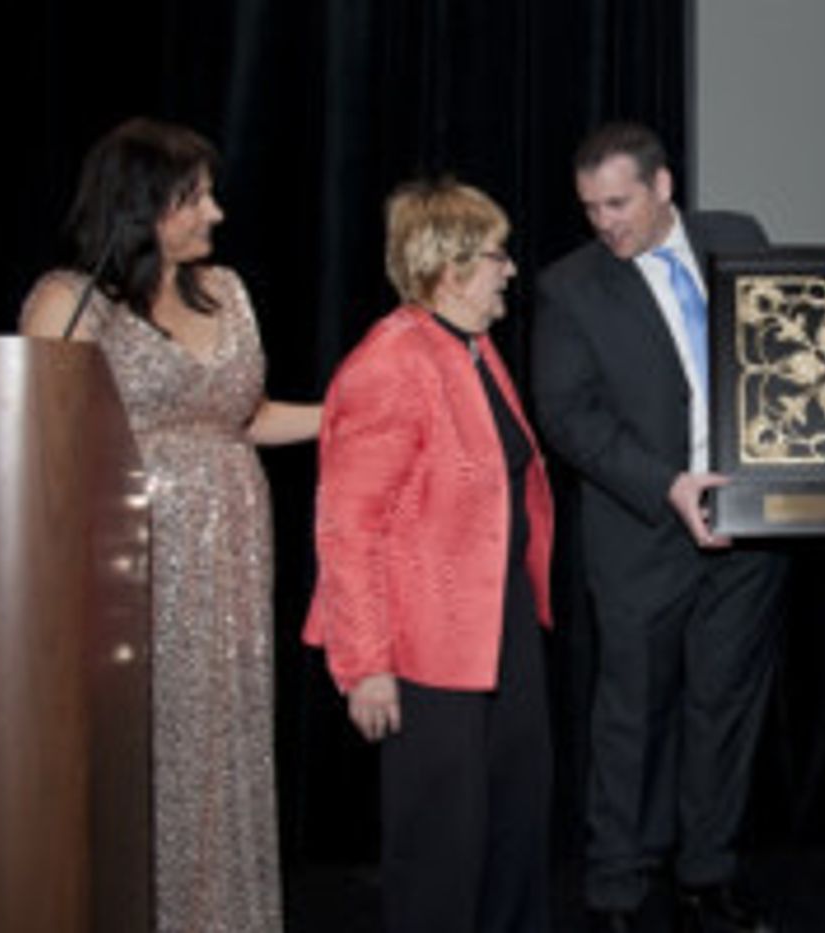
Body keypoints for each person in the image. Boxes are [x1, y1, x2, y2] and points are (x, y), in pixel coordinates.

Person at [19, 117, 320, 932]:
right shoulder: (69, 300)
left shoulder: (226, 291)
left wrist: (355, 415)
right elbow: (36, 444)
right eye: (194, 198)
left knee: (223, 739)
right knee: (143, 746)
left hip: (233, 550)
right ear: (142, 205)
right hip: (130, 559)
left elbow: (247, 418)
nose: (215, 213)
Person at [531, 122, 788, 933]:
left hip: (749, 533)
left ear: (663, 186)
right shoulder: (568, 287)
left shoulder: (738, 237)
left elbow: (790, 336)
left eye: (618, 202)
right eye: (590, 207)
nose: (604, 222)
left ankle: (706, 872)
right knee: (630, 715)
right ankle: (616, 886)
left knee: (724, 707)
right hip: (641, 534)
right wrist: (667, 485)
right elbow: (570, 417)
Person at [303, 179, 555, 933]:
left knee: (515, 828)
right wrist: (366, 663)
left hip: (500, 627)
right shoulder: (390, 362)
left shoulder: (473, 349)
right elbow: (348, 529)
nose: (510, 269)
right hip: (425, 646)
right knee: (441, 849)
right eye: (497, 255)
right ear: (449, 267)